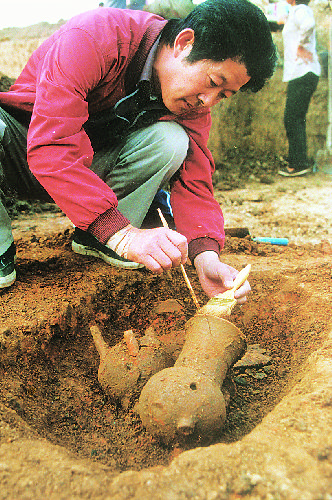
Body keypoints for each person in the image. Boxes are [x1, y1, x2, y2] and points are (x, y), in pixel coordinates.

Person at [0, 0, 276, 302]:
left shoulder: (192, 102)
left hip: (87, 173)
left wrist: (205, 259)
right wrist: (126, 236)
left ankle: (98, 238)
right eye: (213, 82)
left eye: (223, 95)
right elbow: (50, 146)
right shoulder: (95, 37)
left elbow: (195, 181)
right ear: (185, 43)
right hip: (24, 151)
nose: (208, 101)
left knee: (171, 139)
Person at [278, 0, 321, 177]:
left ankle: (298, 163)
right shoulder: (296, 11)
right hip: (302, 72)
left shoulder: (300, 10)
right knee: (295, 118)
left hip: (303, 71)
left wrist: (301, 46)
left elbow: (309, 25)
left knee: (292, 118)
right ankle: (298, 161)